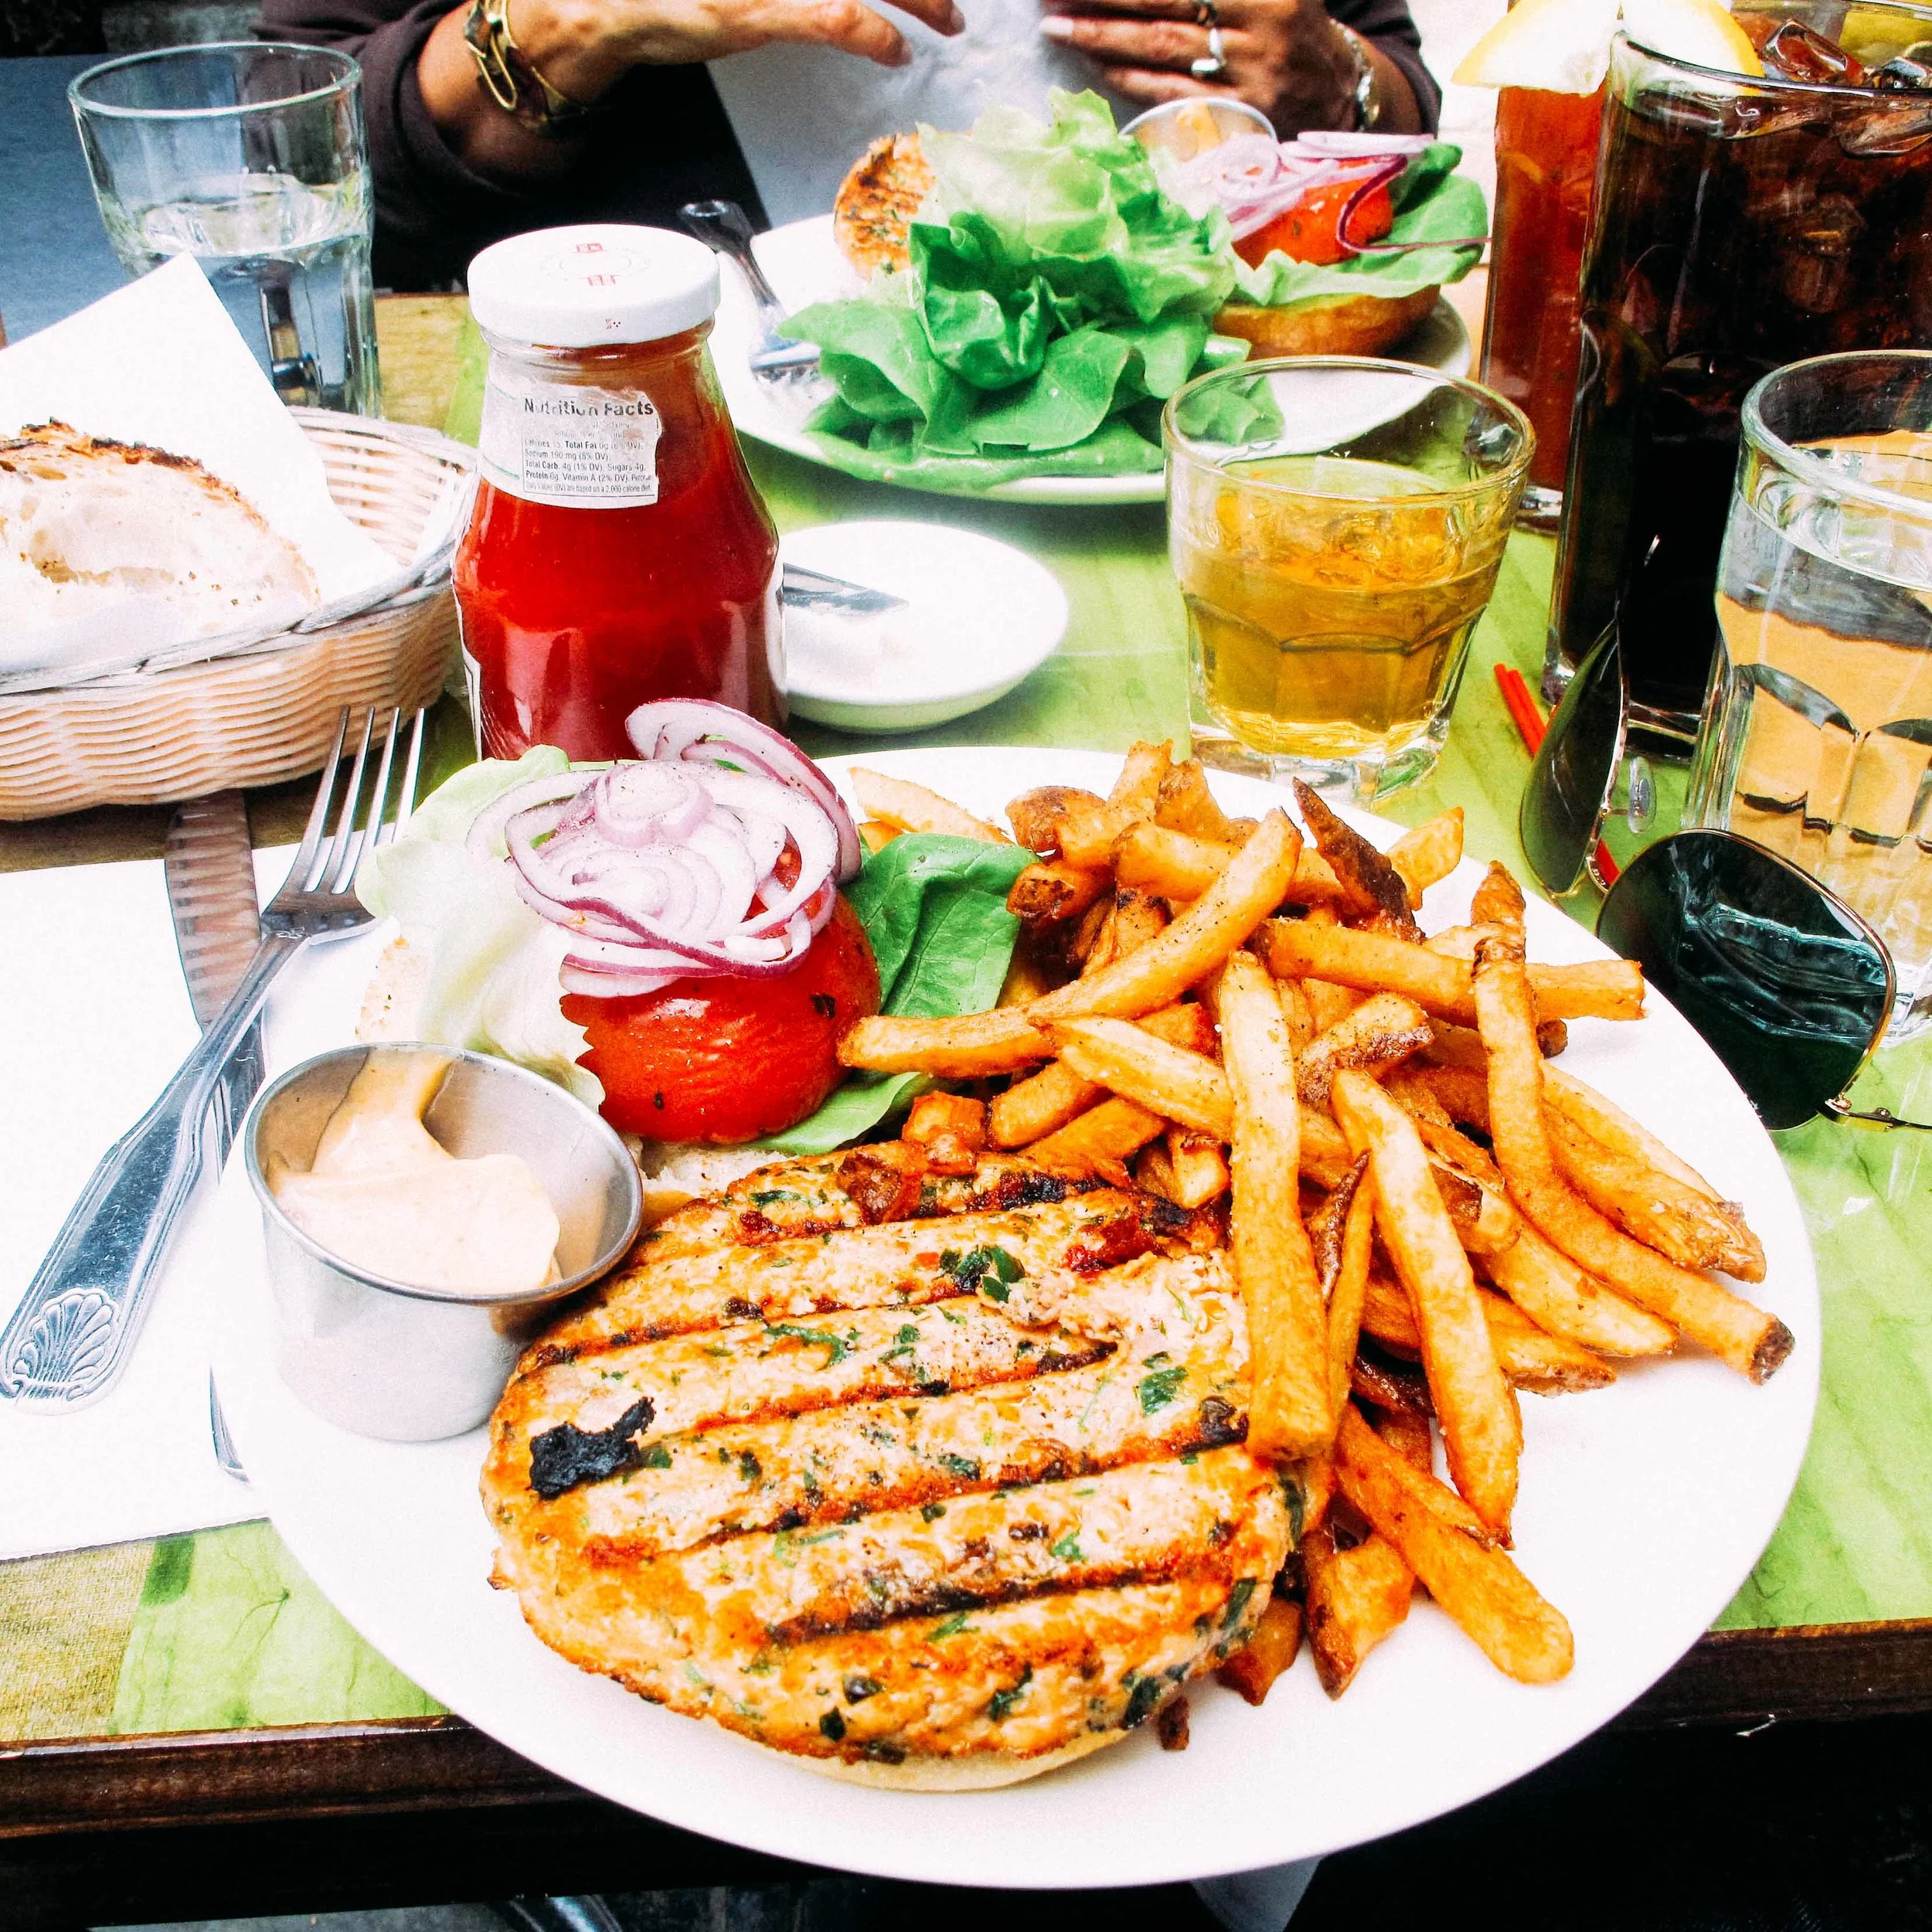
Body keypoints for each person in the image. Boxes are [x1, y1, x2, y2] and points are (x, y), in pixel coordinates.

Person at [262, 0, 1438, 287]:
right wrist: (565, 27)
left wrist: (1333, 80)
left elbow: (1396, 91)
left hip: (1178, 455)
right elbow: (290, 164)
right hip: (653, 447)